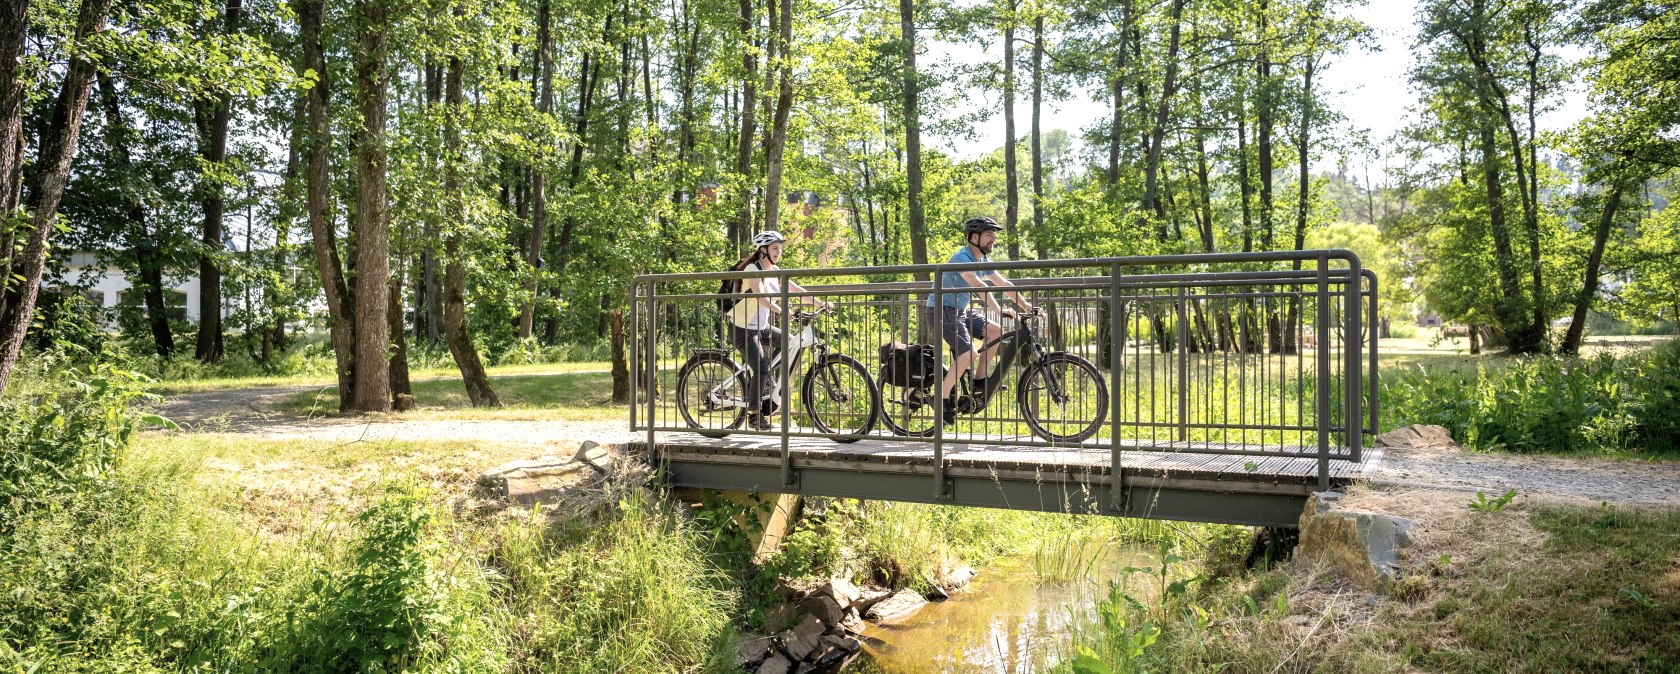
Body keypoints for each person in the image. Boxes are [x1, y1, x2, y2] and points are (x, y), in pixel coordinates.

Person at [924, 216, 1033, 424]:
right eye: (989, 234)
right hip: (942, 310)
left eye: (994, 235)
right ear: (974, 237)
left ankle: (979, 381)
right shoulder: (962, 259)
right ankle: (941, 399)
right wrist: (999, 309)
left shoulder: (983, 260)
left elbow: (1003, 283)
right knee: (969, 354)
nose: (993, 239)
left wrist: (1027, 306)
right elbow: (978, 286)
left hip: (960, 310)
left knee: (996, 331)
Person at [727, 231, 830, 430]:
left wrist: (820, 302)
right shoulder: (752, 268)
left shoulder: (774, 270)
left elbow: (797, 290)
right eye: (775, 248)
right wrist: (784, 311)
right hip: (742, 329)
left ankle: (767, 382)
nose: (779, 252)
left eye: (780, 248)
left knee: (789, 342)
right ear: (763, 250)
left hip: (761, 327)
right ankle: (755, 415)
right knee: (761, 367)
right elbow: (761, 298)